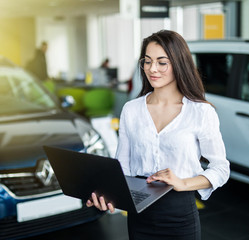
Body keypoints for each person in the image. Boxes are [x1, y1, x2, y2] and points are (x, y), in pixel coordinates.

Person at [86, 30, 230, 240]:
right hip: (139, 214)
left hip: (180, 215)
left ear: (179, 64)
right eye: (147, 61)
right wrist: (108, 194)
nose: (152, 69)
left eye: (162, 62)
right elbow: (123, 167)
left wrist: (183, 183)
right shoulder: (131, 109)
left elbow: (221, 168)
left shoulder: (200, 111)